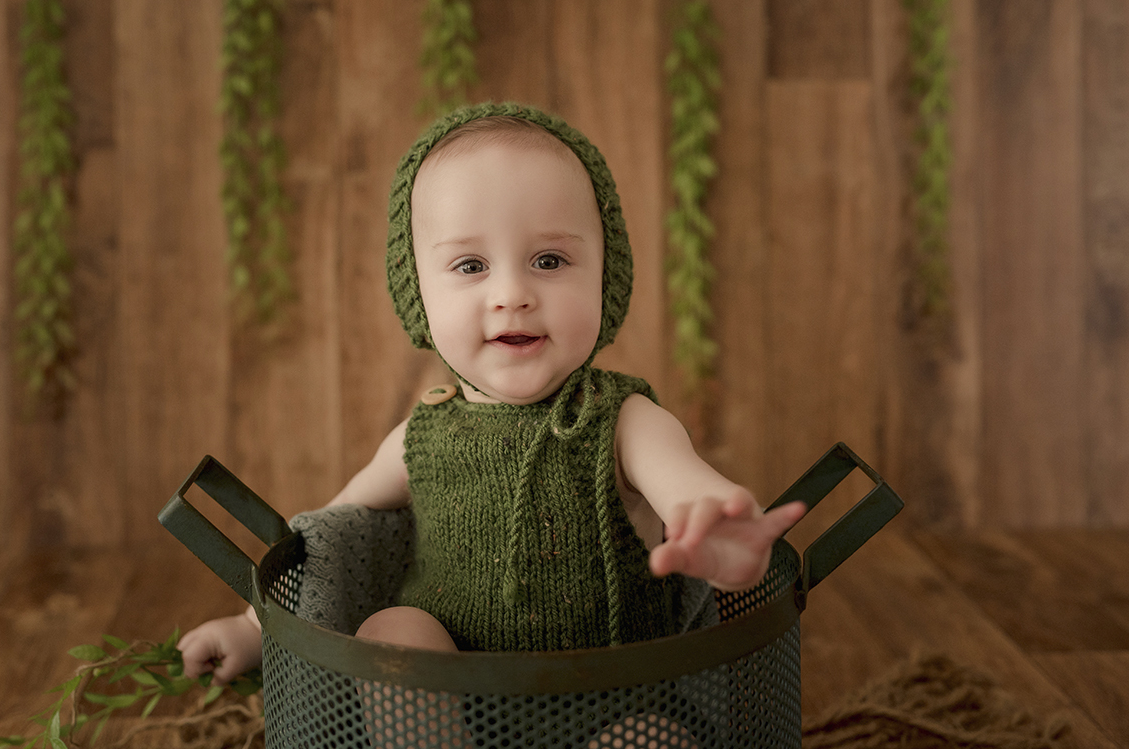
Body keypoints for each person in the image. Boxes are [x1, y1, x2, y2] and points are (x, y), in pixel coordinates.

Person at [179, 103, 806, 684]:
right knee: (393, 631)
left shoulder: (623, 421)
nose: (512, 294)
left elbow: (687, 486)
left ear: (605, 276)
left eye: (550, 261)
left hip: (621, 696)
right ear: (418, 295)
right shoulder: (420, 437)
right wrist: (252, 627)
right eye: (471, 266)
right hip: (459, 700)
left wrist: (718, 526)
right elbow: (320, 546)